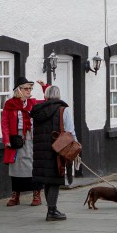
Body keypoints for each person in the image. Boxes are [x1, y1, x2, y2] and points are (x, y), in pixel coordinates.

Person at [30, 85, 76, 221]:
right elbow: (70, 131)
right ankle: (52, 211)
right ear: (59, 96)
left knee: (46, 180)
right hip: (57, 149)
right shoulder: (63, 110)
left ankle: (51, 208)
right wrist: (76, 147)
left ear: (45, 96)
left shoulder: (37, 111)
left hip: (40, 150)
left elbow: (33, 132)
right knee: (55, 179)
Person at [1, 77, 44, 207]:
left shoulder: (33, 103)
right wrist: (6, 139)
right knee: (15, 167)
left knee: (33, 166)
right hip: (16, 138)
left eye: (30, 88)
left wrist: (44, 86)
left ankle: (36, 195)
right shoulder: (10, 104)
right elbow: (5, 123)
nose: (29, 91)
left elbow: (50, 100)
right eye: (26, 88)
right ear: (19, 90)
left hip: (31, 137)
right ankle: (15, 196)